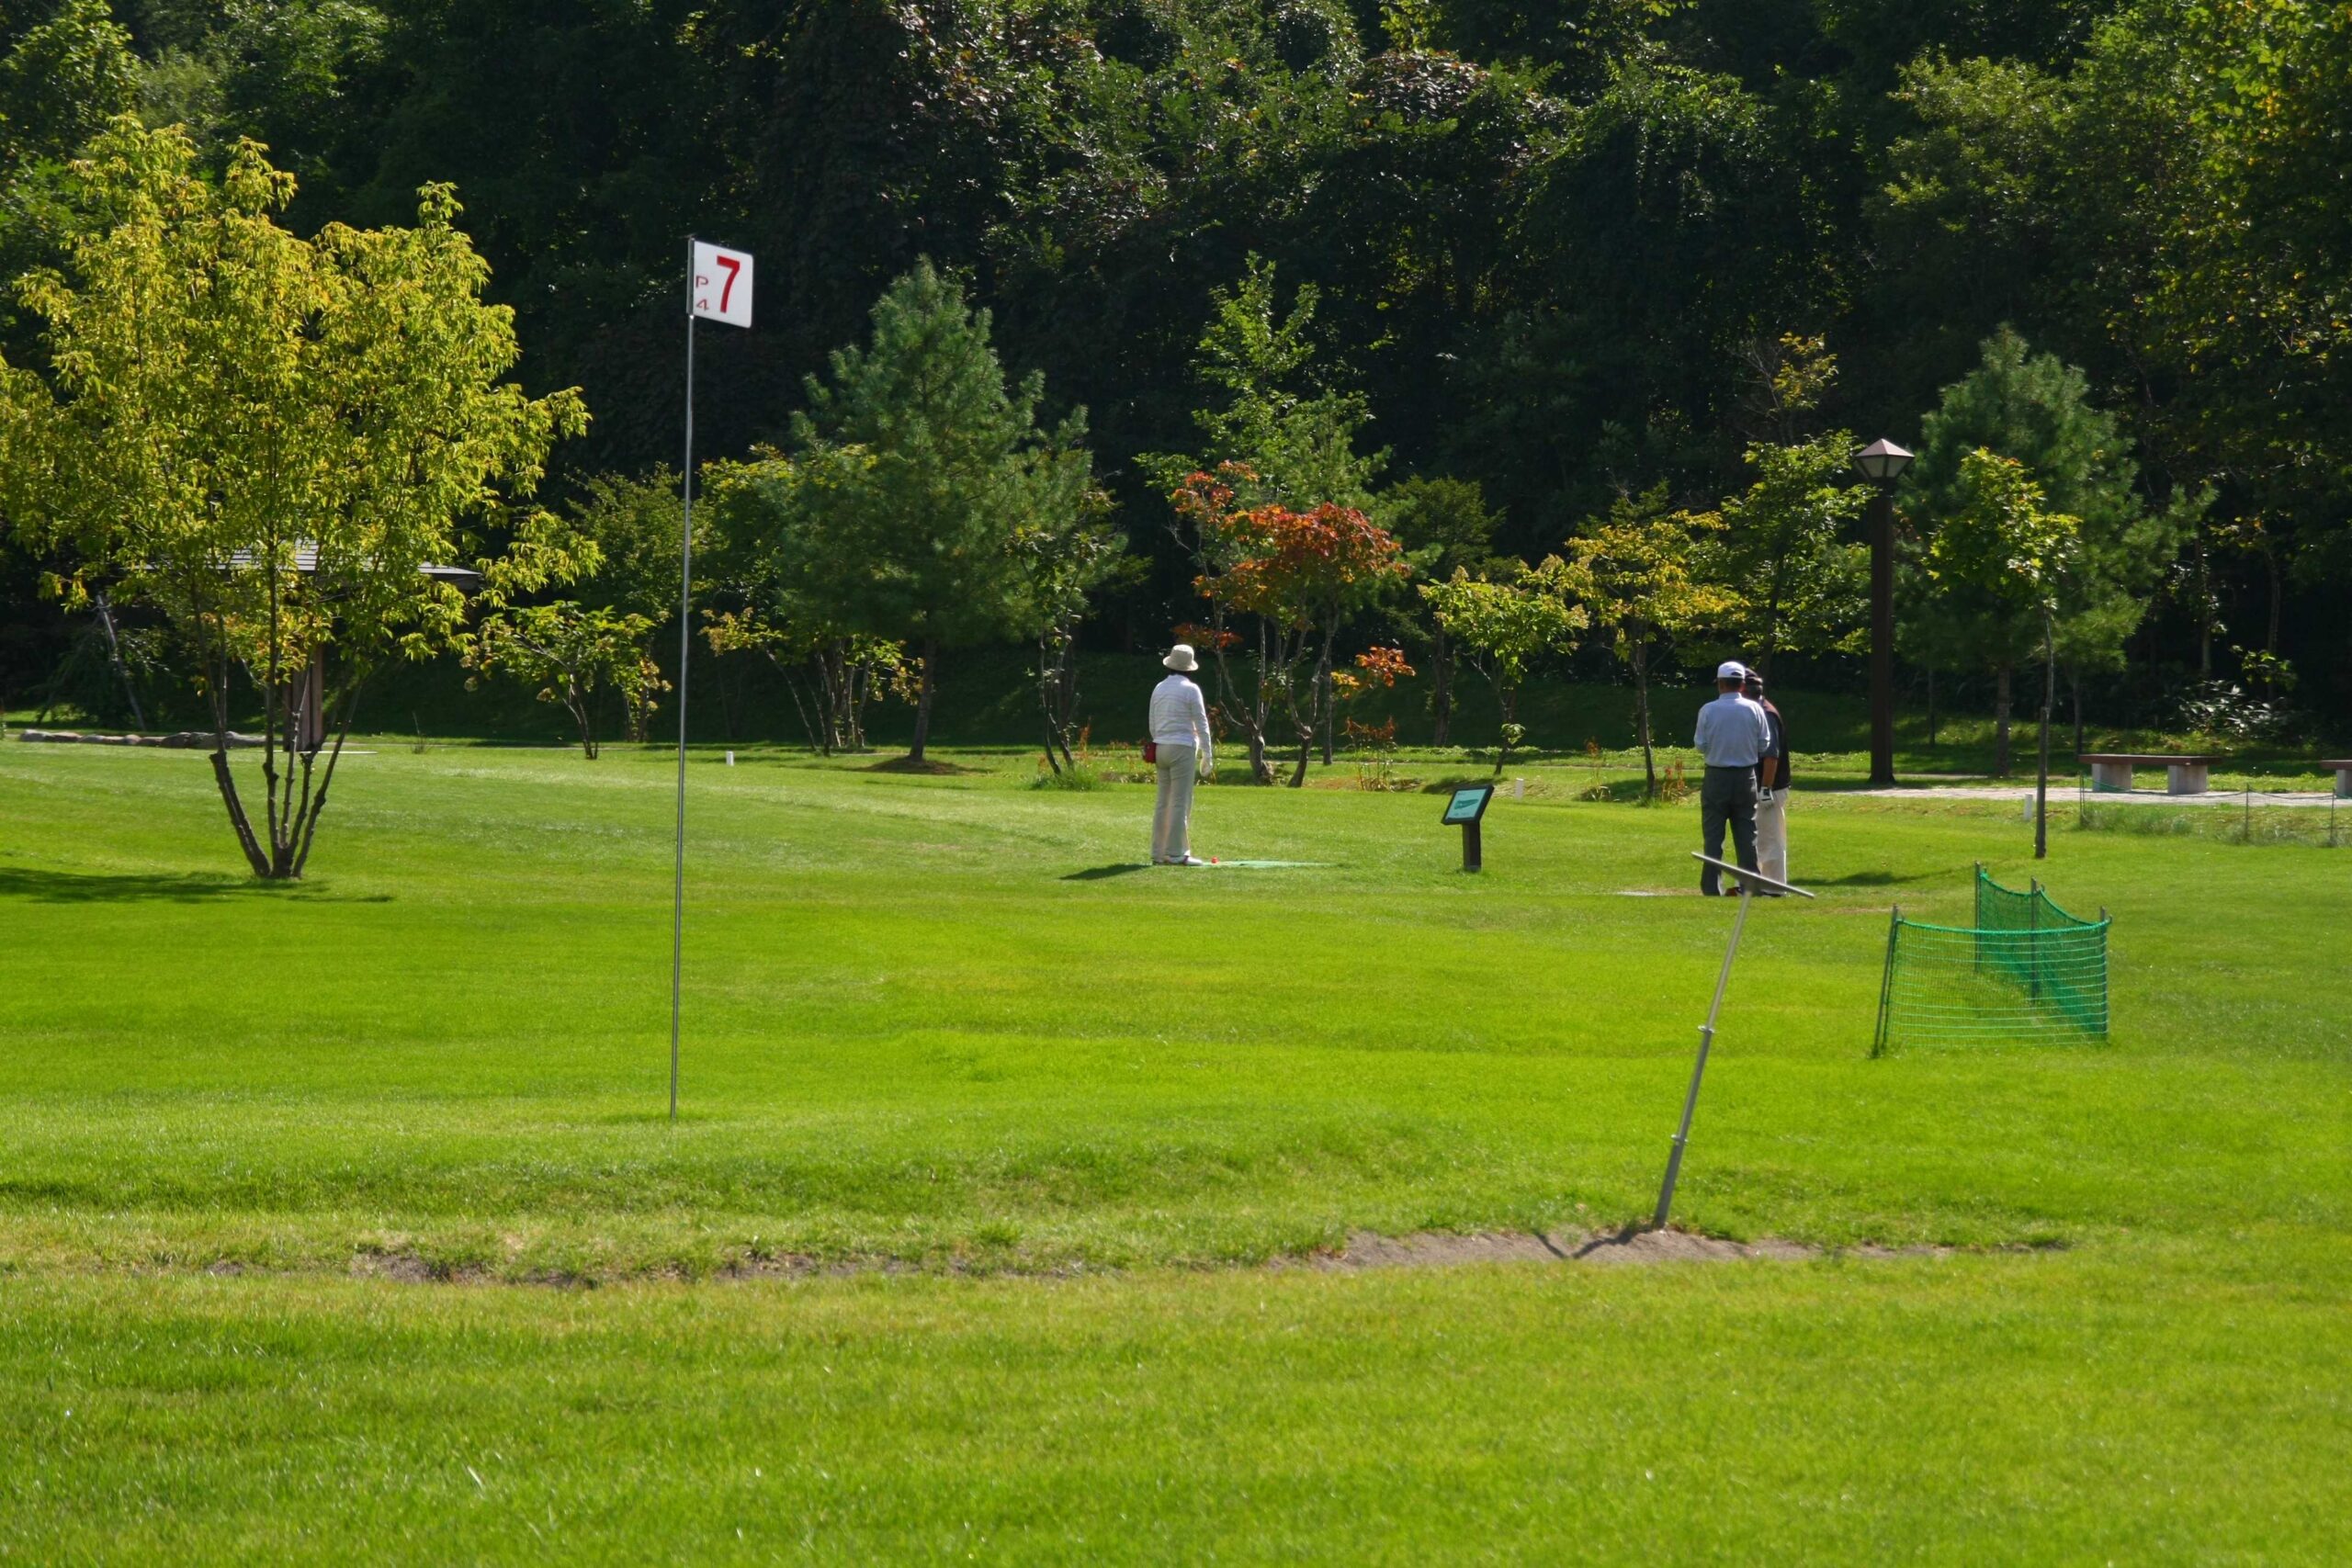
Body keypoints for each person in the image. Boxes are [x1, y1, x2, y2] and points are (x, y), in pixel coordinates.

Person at [1693, 660, 1770, 896]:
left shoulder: (1708, 710)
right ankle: (1751, 886)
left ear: (1721, 684)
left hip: (1716, 775)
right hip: (1746, 776)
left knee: (1714, 836)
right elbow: (1763, 744)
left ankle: (1711, 887)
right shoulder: (1755, 709)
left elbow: (1700, 745)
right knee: (1747, 835)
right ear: (1742, 684)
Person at [1148, 644, 1213, 866]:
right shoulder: (1190, 689)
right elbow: (1201, 723)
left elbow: (1153, 722)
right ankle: (1177, 853)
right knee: (1180, 801)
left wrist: (1160, 740)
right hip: (1182, 747)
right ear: (1189, 668)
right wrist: (1208, 753)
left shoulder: (1159, 687)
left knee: (1163, 802)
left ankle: (1159, 853)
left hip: (1161, 746)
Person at [1745, 668, 1790, 888]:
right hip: (1766, 785)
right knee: (1763, 838)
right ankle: (1762, 885)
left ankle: (1773, 888)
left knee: (1769, 839)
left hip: (1769, 786)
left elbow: (1771, 755)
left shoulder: (1765, 713)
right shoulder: (1758, 711)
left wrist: (1765, 789)